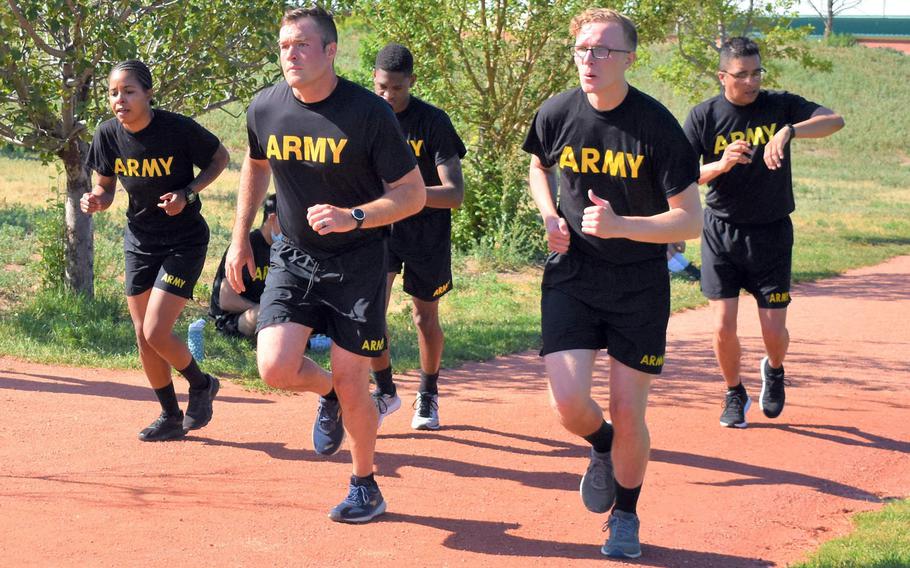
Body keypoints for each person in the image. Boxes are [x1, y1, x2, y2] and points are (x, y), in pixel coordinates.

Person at [225, 6, 425, 524]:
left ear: (331, 52)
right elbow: (256, 163)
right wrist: (239, 239)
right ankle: (329, 394)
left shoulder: (367, 113)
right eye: (284, 46)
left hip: (358, 261)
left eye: (302, 45)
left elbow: (412, 195)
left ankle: (365, 485)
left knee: (354, 377)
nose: (290, 54)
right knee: (274, 367)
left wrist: (354, 216)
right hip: (294, 256)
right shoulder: (265, 106)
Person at [522, 8, 702, 559]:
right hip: (572, 275)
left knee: (630, 412)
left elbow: (690, 221)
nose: (589, 61)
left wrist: (624, 226)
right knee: (569, 405)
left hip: (638, 285)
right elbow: (537, 166)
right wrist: (549, 214)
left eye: (602, 51)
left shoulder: (656, 126)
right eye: (582, 49)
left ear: (629, 58)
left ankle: (625, 515)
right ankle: (600, 445)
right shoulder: (557, 112)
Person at [683, 37, 844, 429]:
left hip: (771, 231)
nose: (751, 81)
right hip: (720, 230)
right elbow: (684, 179)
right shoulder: (703, 116)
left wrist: (789, 131)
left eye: (757, 72)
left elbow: (835, 120)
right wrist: (720, 165)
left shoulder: (779, 104)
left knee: (774, 330)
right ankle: (733, 392)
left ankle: (774, 369)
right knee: (723, 325)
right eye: (742, 75)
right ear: (723, 76)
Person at [81, 59, 229, 442]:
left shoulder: (176, 128)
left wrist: (188, 192)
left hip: (184, 239)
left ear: (148, 93)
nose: (120, 99)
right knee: (142, 335)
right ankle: (170, 415)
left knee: (156, 331)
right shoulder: (108, 135)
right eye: (113, 92)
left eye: (129, 91)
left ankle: (201, 384)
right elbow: (106, 186)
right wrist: (97, 199)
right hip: (141, 240)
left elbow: (220, 158)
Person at [369, 43, 467, 431]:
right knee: (372, 312)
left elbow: (455, 194)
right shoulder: (367, 117)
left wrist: (407, 198)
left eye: (396, 88)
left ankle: (427, 393)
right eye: (381, 87)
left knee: (424, 318)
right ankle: (385, 390)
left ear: (411, 81)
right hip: (381, 229)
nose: (388, 96)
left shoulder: (433, 122)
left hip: (427, 231)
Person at [209, 194, 279, 338]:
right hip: (235, 318)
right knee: (275, 313)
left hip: (267, 310)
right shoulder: (246, 247)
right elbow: (226, 300)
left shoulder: (283, 249)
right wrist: (264, 309)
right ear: (273, 219)